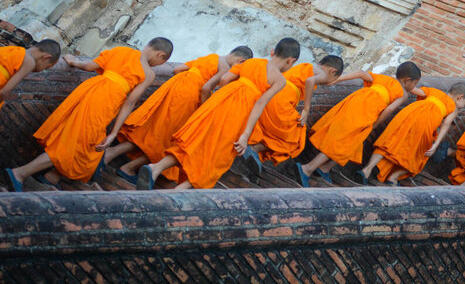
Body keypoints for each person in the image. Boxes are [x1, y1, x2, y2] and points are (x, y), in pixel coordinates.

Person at [4, 38, 172, 192]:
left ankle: (51, 177)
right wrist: (114, 133)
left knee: (78, 140)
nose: (157, 65)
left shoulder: (121, 51)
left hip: (89, 91)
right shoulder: (148, 74)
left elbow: (89, 66)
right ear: (160, 55)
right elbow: (130, 103)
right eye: (161, 62)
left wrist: (74, 62)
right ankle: (19, 173)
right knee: (78, 142)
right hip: (104, 102)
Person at [136, 38, 300, 190]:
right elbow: (260, 104)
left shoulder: (252, 62)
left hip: (220, 101)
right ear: (291, 61)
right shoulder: (280, 80)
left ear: (273, 51)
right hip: (239, 113)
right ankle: (178, 191)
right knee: (217, 155)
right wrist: (245, 135)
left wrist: (226, 96)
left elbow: (225, 80)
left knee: (195, 141)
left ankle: (155, 168)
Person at [103, 46, 253, 184]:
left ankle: (117, 157)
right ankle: (121, 161)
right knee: (165, 138)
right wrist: (204, 108)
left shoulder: (211, 57)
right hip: (189, 95)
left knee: (151, 129)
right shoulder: (225, 67)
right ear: (242, 61)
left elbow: (178, 69)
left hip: (174, 86)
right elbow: (207, 88)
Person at [294, 62, 421, 187]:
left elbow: (361, 73)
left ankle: (324, 168)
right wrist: (375, 124)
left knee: (353, 141)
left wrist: (335, 80)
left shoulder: (384, 78)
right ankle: (307, 168)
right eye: (415, 84)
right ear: (407, 80)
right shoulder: (403, 94)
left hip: (355, 101)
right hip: (367, 110)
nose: (414, 88)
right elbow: (388, 110)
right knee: (344, 142)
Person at [243, 55, 344, 174]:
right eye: (332, 80)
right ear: (333, 71)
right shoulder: (320, 73)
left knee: (279, 131)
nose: (328, 83)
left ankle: (255, 148)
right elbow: (310, 81)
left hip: (273, 96)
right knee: (296, 135)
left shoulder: (307, 67)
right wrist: (306, 109)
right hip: (281, 100)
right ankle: (255, 148)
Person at [363, 82, 465, 185]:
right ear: (460, 97)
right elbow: (446, 125)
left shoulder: (433, 92)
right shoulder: (453, 107)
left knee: (390, 141)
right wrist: (436, 144)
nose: (464, 106)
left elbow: (412, 89)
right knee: (418, 156)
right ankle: (393, 177)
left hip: (408, 113)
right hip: (425, 122)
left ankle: (366, 170)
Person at [0, 40, 61, 109]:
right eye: (46, 67)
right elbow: (4, 92)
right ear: (46, 57)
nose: (42, 70)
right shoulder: (30, 62)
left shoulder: (12, 49)